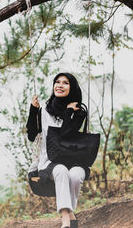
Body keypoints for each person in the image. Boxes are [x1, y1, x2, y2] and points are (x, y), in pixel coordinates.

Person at [26, 72, 89, 228]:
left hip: (73, 160)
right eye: (57, 82)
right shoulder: (45, 111)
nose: (60, 85)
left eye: (65, 83)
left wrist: (68, 112)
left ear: (72, 88)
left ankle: (70, 216)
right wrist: (33, 110)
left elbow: (66, 135)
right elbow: (32, 135)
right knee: (60, 170)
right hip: (50, 161)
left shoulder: (78, 113)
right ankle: (66, 220)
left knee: (74, 175)